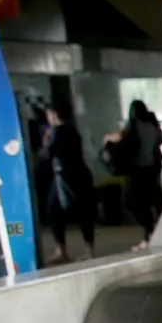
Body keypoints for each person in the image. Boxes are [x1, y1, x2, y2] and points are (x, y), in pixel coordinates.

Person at [34, 102, 98, 263]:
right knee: (83, 213)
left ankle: (62, 249)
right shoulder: (73, 130)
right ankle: (87, 249)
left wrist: (44, 141)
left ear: (55, 114)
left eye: (49, 114)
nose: (48, 117)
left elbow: (46, 154)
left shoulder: (55, 132)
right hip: (79, 174)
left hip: (65, 177)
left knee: (54, 211)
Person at [104, 99, 162, 235]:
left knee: (132, 203)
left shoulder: (134, 124)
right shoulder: (152, 125)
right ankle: (152, 230)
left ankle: (149, 229)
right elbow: (159, 142)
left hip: (137, 169)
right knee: (151, 199)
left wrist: (107, 138)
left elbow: (120, 136)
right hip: (152, 168)